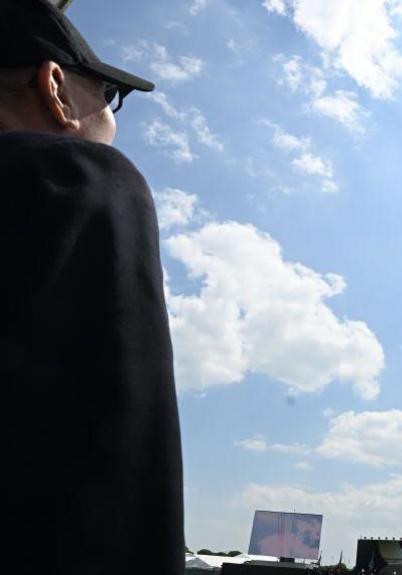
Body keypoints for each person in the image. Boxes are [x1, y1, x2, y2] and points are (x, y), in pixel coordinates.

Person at [0, 1, 183, 573]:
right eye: (109, 95)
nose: (112, 115)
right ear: (55, 87)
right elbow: (106, 492)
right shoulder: (73, 180)